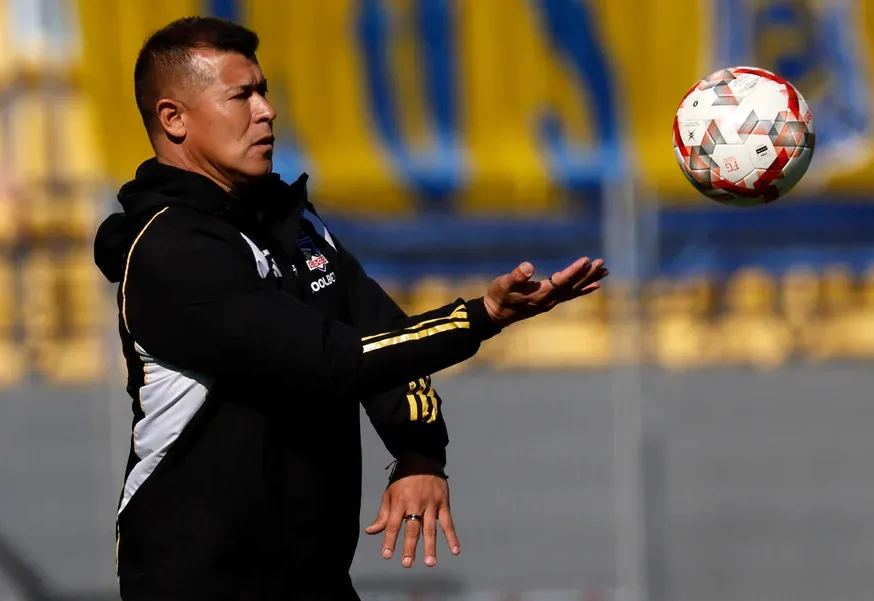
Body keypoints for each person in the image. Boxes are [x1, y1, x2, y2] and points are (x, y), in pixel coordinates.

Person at [93, 16, 608, 601]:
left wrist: (418, 452)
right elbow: (332, 360)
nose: (266, 111)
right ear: (173, 118)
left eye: (263, 91)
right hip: (201, 582)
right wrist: (481, 316)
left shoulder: (294, 222)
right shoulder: (170, 250)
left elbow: (379, 330)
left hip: (312, 578)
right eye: (241, 95)